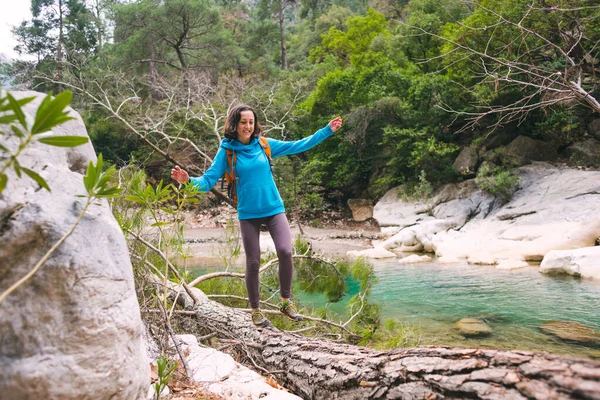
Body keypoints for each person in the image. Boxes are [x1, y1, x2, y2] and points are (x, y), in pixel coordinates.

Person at [171, 104, 343, 328]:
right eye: (243, 122)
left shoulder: (264, 144)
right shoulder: (227, 152)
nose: (248, 126)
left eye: (251, 122)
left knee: (285, 251)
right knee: (253, 262)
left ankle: (285, 302)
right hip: (248, 213)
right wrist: (188, 181)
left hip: (273, 208)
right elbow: (207, 181)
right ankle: (255, 310)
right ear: (234, 124)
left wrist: (326, 131)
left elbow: (297, 146)